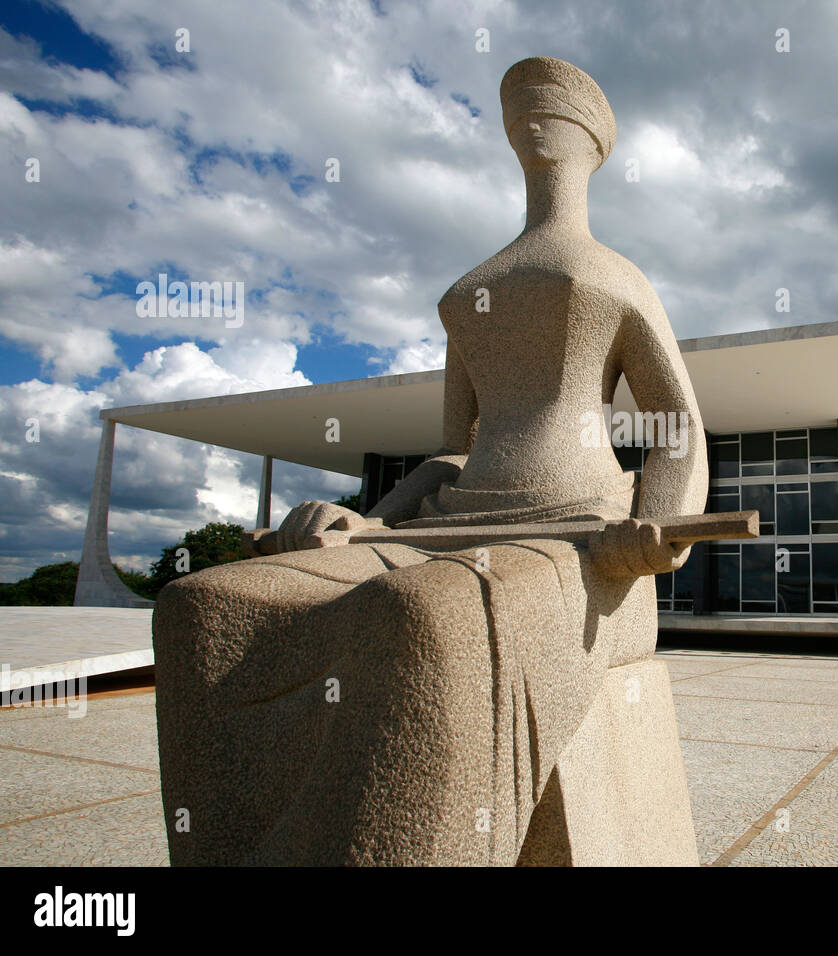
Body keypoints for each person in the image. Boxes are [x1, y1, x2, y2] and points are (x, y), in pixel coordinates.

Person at [153, 56, 708, 865]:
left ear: (593, 140)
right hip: (443, 527)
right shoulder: (470, 291)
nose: (532, 119)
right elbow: (454, 450)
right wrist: (366, 520)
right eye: (518, 107)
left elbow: (680, 428)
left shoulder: (615, 277)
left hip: (581, 543)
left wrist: (655, 526)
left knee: (422, 618)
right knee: (203, 611)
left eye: (551, 106)